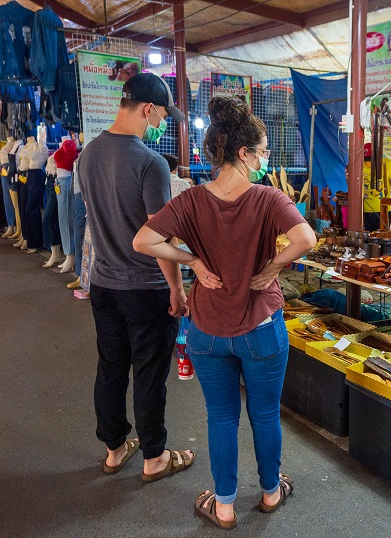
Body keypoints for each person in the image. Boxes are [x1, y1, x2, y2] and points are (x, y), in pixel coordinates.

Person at [133, 96, 316, 529]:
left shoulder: (193, 200)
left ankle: (226, 505)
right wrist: (270, 267)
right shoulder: (269, 199)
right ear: (245, 153)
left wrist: (192, 260)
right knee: (265, 414)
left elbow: (143, 241)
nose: (266, 158)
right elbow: (305, 239)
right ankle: (271, 493)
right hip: (261, 326)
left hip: (208, 329)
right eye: (264, 150)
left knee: (221, 418)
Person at [77, 73, 195, 483]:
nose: (161, 123)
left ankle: (114, 449)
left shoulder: (87, 154)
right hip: (145, 289)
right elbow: (156, 237)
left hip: (104, 284)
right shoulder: (150, 163)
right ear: (147, 109)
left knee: (111, 367)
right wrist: (178, 288)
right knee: (148, 373)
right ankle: (155, 458)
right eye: (162, 115)